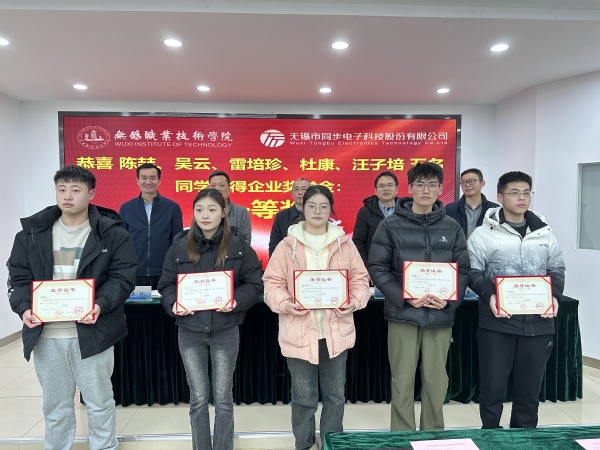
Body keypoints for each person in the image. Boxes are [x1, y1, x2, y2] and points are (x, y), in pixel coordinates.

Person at [7, 165, 138, 450]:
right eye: (62, 189)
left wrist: (100, 304)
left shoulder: (112, 234)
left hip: (94, 333)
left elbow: (123, 277)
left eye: (76, 190)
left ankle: (104, 446)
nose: (67, 196)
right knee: (55, 405)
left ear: (91, 194)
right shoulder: (31, 234)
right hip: (47, 336)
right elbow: (18, 277)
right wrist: (24, 308)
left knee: (99, 401)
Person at [263, 184, 371, 450]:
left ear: (331, 210)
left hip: (336, 331)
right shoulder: (287, 245)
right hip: (299, 331)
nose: (317, 211)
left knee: (335, 395)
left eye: (324, 206)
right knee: (303, 397)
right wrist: (285, 304)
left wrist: (355, 301)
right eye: (311, 205)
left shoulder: (344, 244)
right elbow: (272, 283)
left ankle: (332, 442)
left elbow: (360, 279)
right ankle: (304, 443)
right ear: (303, 208)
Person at [158, 188, 263, 450]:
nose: (205, 215)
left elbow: (254, 283)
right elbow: (166, 285)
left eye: (212, 209)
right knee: (198, 398)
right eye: (199, 209)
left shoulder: (239, 246)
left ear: (224, 212)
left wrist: (236, 301)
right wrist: (174, 304)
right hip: (190, 331)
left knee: (223, 398)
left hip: (225, 331)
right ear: (193, 213)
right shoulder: (179, 246)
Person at [368, 162, 470, 431]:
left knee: (436, 381)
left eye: (432, 184)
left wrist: (449, 300)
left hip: (439, 314)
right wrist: (404, 297)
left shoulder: (452, 226)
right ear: (410, 187)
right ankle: (402, 436)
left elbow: (464, 269)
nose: (426, 190)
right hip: (403, 314)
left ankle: (433, 434)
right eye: (420, 184)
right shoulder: (390, 225)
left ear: (440, 189)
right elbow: (377, 267)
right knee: (402, 380)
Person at [468, 171, 565, 429]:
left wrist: (554, 295)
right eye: (514, 193)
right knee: (492, 387)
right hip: (497, 322)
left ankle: (524, 437)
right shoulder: (483, 234)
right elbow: (472, 272)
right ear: (500, 197)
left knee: (530, 390)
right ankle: (490, 434)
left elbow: (556, 269)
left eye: (526, 193)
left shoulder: (544, 233)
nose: (521, 198)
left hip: (538, 323)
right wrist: (489, 294)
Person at [119, 163, 183, 289]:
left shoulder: (172, 208)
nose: (148, 182)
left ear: (159, 181)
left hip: (164, 272)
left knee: (162, 302)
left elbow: (177, 241)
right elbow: (121, 242)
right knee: (135, 303)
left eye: (152, 178)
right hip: (135, 272)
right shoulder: (126, 208)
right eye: (144, 178)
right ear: (137, 180)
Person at [352, 171, 399, 266]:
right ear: (375, 190)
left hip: (400, 267)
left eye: (390, 185)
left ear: (396, 189)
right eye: (381, 186)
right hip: (375, 266)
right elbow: (358, 243)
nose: (386, 189)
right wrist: (367, 268)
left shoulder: (406, 210)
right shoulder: (365, 212)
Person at [445, 168, 499, 239]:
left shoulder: (494, 209)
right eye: (463, 182)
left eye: (471, 181)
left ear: (482, 183)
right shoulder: (451, 209)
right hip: (459, 246)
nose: (467, 185)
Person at [268, 177, 311, 257]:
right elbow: (274, 247)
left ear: (311, 193)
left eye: (304, 189)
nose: (300, 192)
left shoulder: (318, 215)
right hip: (287, 261)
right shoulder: (281, 217)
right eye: (296, 189)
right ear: (292, 194)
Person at [209, 170, 252, 244]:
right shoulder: (201, 211)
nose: (217, 189)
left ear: (229, 188)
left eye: (222, 185)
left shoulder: (241, 212)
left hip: (234, 251)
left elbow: (246, 241)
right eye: (213, 185)